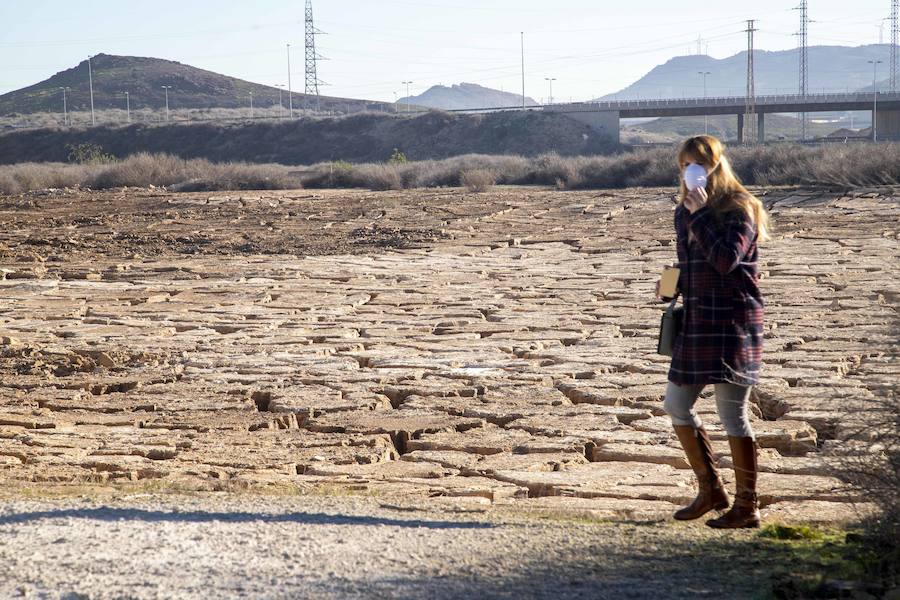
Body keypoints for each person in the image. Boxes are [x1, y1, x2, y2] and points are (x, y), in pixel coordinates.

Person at [656, 135, 771, 529]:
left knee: (732, 415)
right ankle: (711, 491)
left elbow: (726, 260)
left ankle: (747, 506)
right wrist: (671, 283)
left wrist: (701, 214)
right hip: (698, 319)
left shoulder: (740, 208)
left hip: (733, 321)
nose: (693, 170)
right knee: (676, 404)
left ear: (717, 165)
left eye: (700, 163)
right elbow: (691, 260)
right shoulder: (683, 211)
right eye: (686, 163)